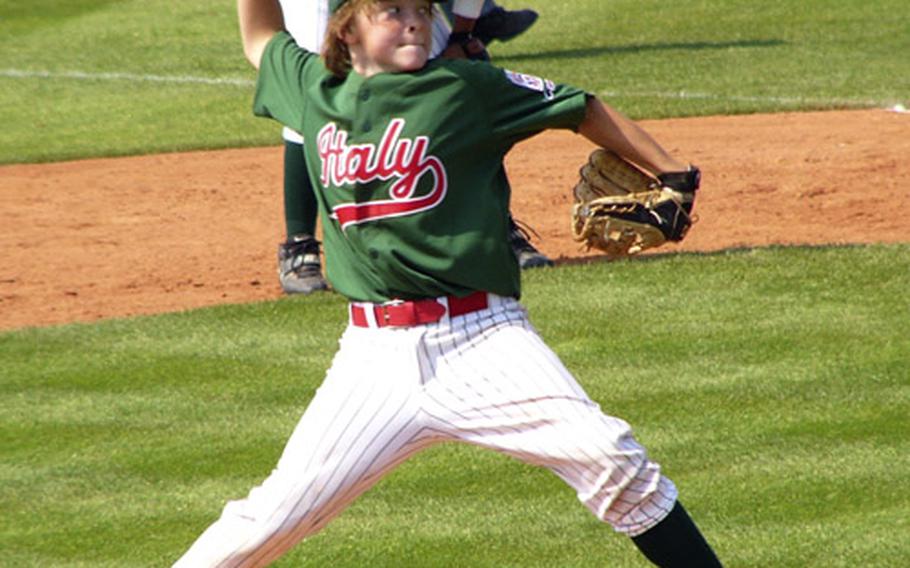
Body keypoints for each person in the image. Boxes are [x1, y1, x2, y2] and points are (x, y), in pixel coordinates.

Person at [174, 1, 722, 566]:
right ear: (348, 28)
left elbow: (580, 106)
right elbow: (260, 35)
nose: (414, 20)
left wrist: (675, 172)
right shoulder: (310, 86)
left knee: (613, 459)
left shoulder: (467, 87)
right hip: (372, 358)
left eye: (420, 7)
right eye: (391, 10)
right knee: (270, 519)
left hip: (484, 340)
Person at [276, 0, 546, 295]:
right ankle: (299, 243)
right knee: (316, 98)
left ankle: (494, 229)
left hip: (405, 8)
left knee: (455, 94)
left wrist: (462, 35)